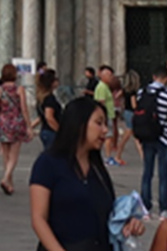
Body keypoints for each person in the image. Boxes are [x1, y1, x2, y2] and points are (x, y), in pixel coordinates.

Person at [29, 95, 146, 251]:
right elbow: (38, 219)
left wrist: (129, 223)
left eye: (105, 124)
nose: (105, 130)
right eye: (98, 123)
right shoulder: (48, 163)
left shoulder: (97, 168)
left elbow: (107, 214)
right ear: (79, 124)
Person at [132, 69, 167, 213]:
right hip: (163, 138)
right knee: (163, 175)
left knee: (147, 172)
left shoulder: (142, 93)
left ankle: (146, 205)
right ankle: (163, 207)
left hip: (147, 136)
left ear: (154, 77)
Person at [0, 63, 32, 196]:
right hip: (17, 122)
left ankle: (10, 183)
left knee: (6, 155)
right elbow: (24, 108)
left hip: (4, 122)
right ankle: (6, 179)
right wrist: (29, 126)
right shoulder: (19, 89)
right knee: (14, 155)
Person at [35, 69, 63, 151]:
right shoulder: (49, 99)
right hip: (51, 132)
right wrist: (60, 131)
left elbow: (41, 116)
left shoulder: (42, 98)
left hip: (45, 131)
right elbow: (49, 117)